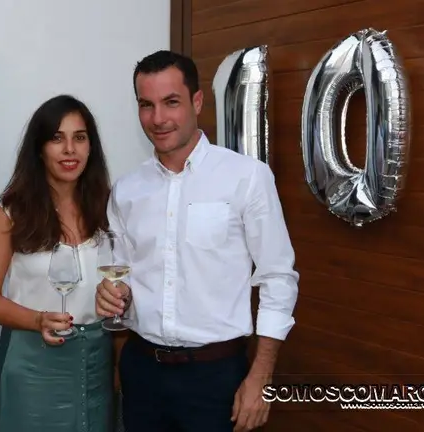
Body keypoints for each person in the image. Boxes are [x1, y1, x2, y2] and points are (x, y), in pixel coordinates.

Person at [95, 50, 300, 432]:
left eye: (171, 102)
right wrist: (111, 294)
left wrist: (261, 378)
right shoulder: (126, 190)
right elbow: (120, 277)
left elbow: (278, 278)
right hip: (142, 372)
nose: (158, 118)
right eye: (146, 105)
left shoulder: (247, 177)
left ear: (198, 101)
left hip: (216, 378)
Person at [0, 94, 116, 432]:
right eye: (57, 138)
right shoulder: (9, 213)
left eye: (79, 138)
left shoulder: (109, 208)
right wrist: (37, 319)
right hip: (33, 366)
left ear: (91, 147)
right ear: (39, 148)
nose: (70, 149)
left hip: (97, 364)